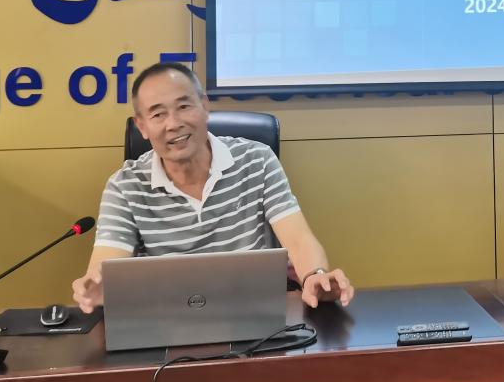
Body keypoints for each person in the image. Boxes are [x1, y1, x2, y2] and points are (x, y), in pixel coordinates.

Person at [71, 61, 354, 313]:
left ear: (205, 106)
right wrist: (99, 286)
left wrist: (315, 275)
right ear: (142, 126)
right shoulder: (125, 185)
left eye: (184, 106)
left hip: (257, 316)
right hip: (167, 321)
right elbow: (107, 264)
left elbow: (298, 239)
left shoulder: (257, 159)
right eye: (158, 115)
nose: (174, 124)